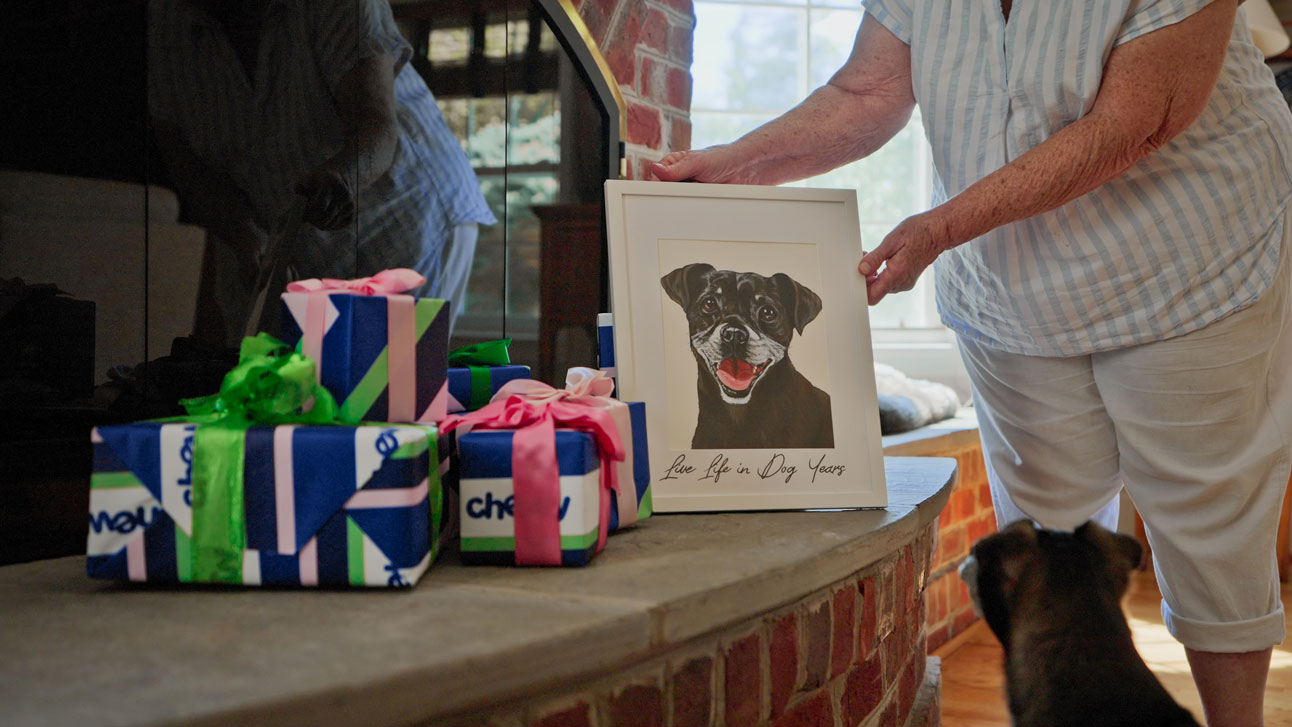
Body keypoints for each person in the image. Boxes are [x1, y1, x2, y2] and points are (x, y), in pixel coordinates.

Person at [651, 1, 1292, 725]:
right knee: (1048, 549)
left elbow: (1129, 124)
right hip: (1009, 284)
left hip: (1190, 260)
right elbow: (866, 93)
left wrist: (940, 227)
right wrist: (734, 164)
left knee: (1209, 534)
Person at [147, 0, 494, 340]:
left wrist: (342, 179)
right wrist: (243, 234)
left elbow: (375, 124)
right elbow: (183, 159)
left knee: (382, 387)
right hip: (276, 244)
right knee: (270, 389)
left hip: (399, 216)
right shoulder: (170, 18)